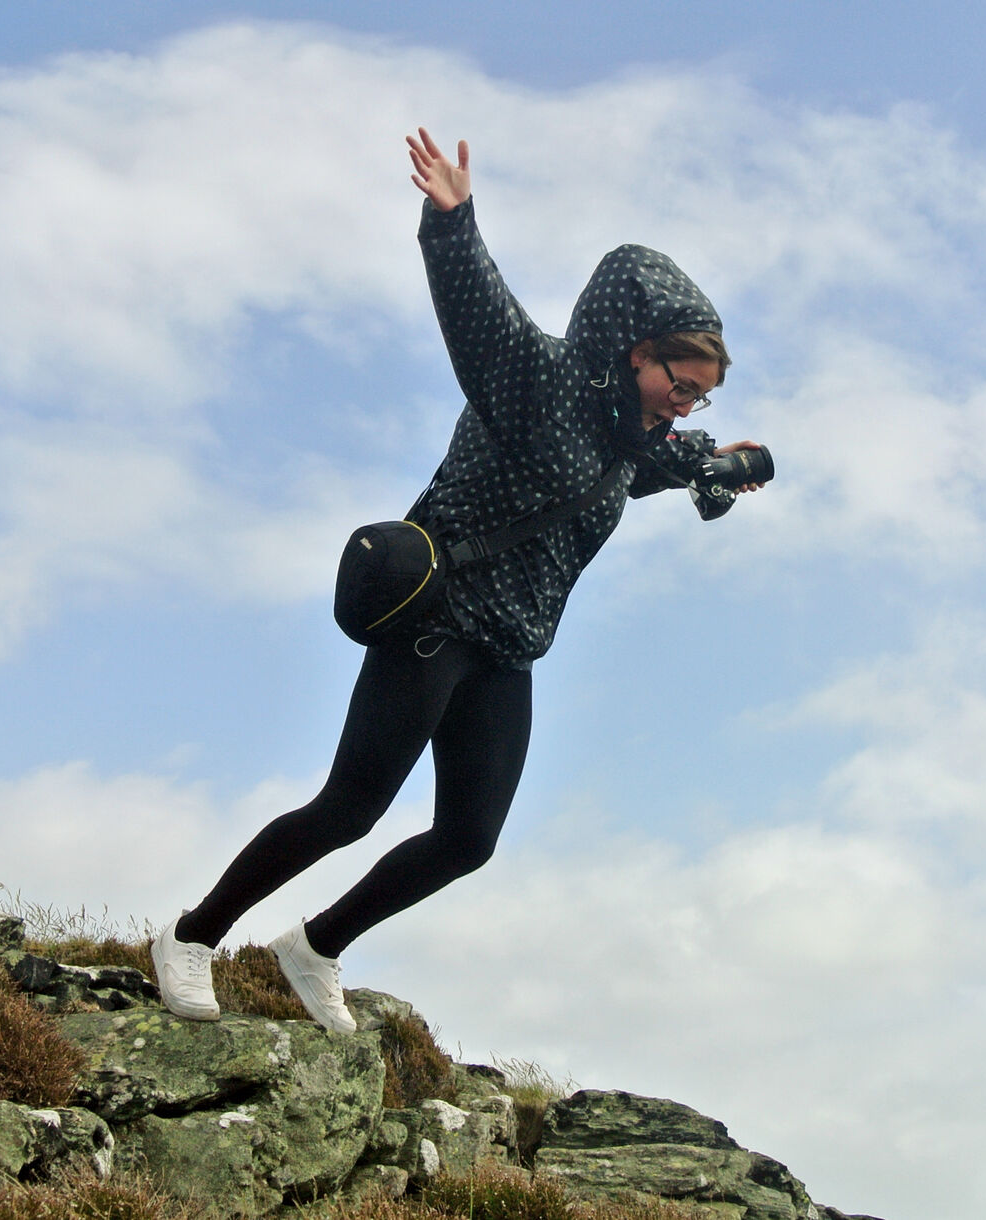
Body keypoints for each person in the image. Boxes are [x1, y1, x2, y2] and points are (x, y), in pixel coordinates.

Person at [152, 129, 766, 1032]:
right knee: (350, 809)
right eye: (684, 383)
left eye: (700, 395)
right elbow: (479, 309)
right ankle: (192, 935)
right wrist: (452, 222)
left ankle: (314, 947)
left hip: (507, 653)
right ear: (635, 349)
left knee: (468, 839)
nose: (688, 402)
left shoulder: (626, 439)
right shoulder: (535, 380)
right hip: (436, 623)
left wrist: (722, 460)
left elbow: (655, 465)